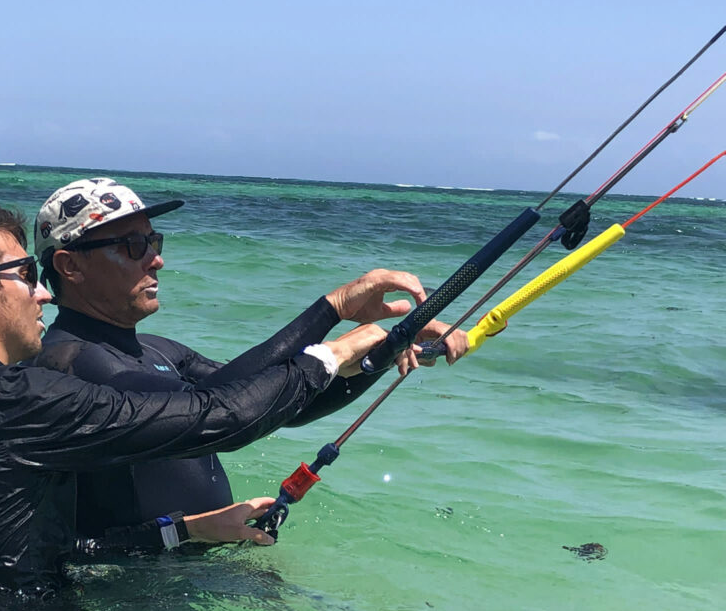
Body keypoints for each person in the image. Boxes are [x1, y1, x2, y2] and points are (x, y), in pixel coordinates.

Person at [0, 198, 393, 594]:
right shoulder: (20, 397)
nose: (43, 293)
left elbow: (51, 551)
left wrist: (182, 533)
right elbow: (219, 416)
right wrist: (330, 350)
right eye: (26, 275)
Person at [31, 178, 468, 539]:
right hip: (141, 596)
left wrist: (387, 348)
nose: (157, 259)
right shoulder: (70, 365)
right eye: (133, 246)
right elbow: (222, 410)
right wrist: (332, 310)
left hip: (199, 578)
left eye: (153, 240)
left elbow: (274, 403)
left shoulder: (158, 350)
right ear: (70, 267)